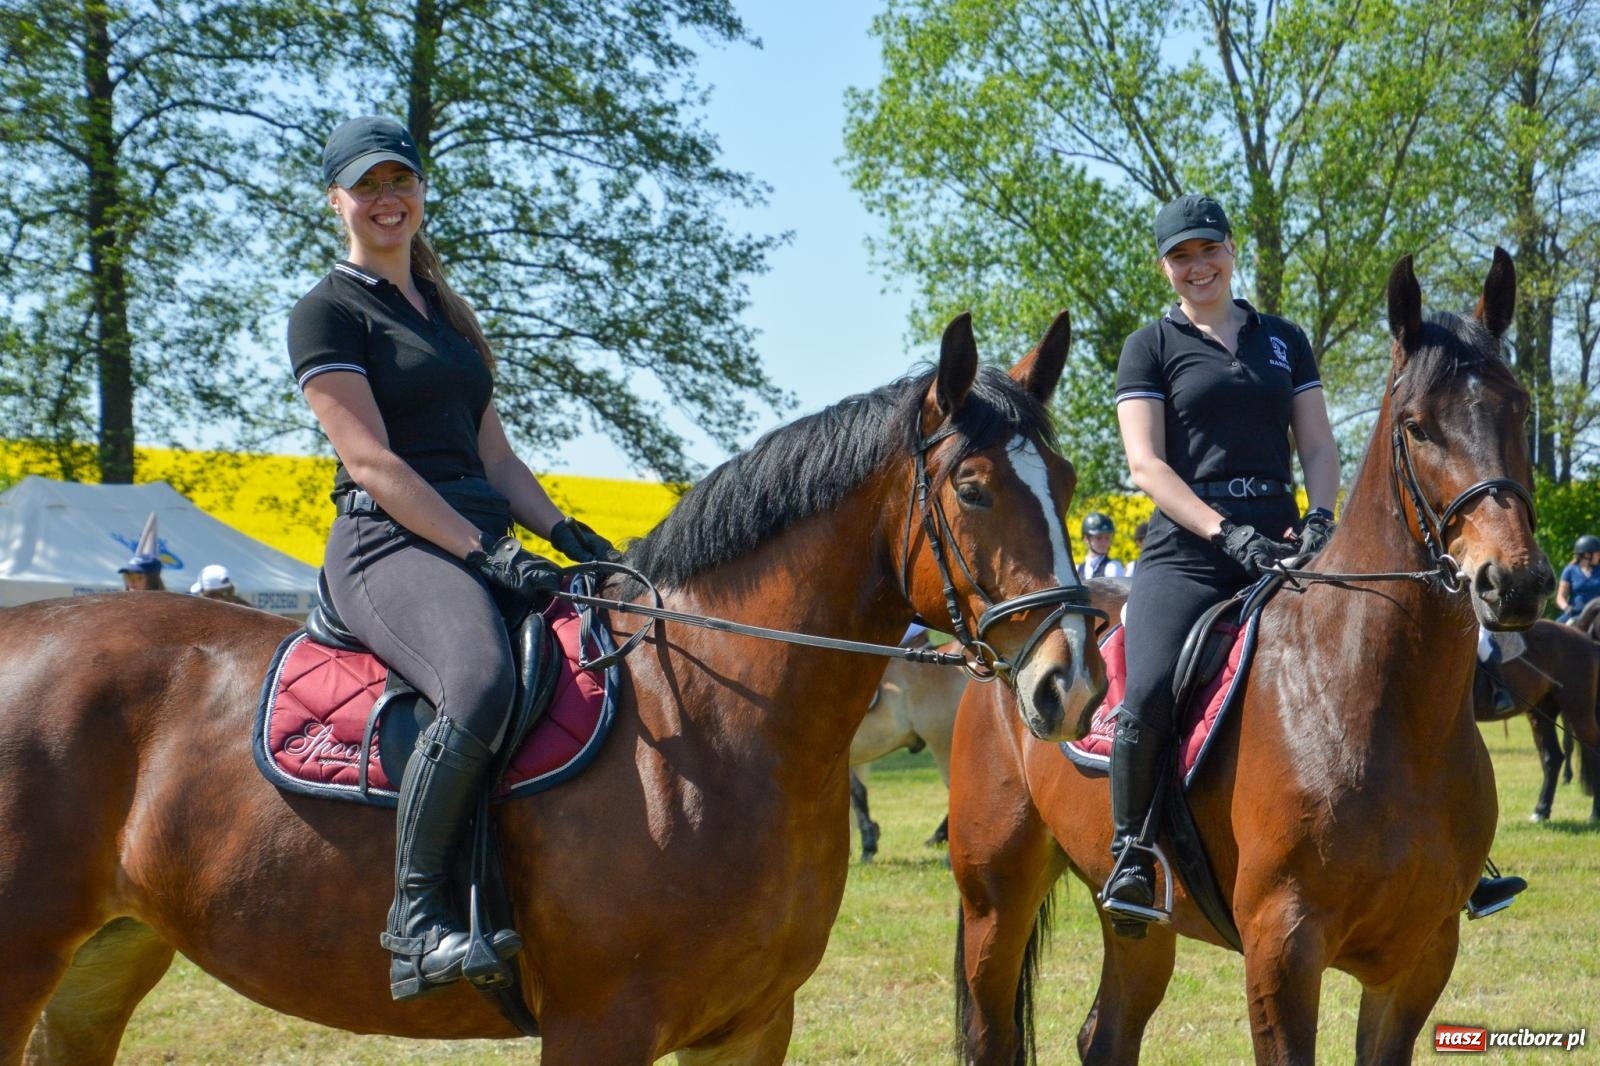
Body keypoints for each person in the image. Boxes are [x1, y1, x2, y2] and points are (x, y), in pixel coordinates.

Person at [1102, 193, 1520, 934]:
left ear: (1231, 252)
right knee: (1150, 690)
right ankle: (1133, 854)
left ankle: (1453, 851)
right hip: (1188, 552)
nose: (1198, 267)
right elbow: (1146, 466)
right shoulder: (1150, 347)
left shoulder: (1282, 340)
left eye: (1208, 250)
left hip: (1286, 539)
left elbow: (1319, 444)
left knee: (1398, 665)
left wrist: (1320, 517)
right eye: (1181, 257)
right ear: (1164, 267)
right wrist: (1224, 533)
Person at [288, 116, 620, 1001]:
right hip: (386, 544)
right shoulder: (328, 310)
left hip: (479, 536)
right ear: (338, 202)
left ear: (421, 192)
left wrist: (566, 533)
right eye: (369, 186)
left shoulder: (447, 313)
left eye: (401, 181)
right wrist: (486, 551)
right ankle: (417, 917)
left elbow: (497, 460)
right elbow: (372, 462)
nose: (388, 199)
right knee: (476, 682)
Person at [1556, 534, 1600, 623]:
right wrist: (1567, 608)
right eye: (1597, 553)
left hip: (1598, 613)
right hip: (1575, 613)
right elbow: (1560, 597)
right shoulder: (1569, 570)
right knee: (1553, 630)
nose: (1599, 556)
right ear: (1587, 555)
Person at [1078, 512, 1126, 580]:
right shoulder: (1077, 569)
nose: (1104, 543)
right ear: (1086, 539)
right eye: (1099, 538)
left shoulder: (1113, 567)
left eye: (1107, 538)